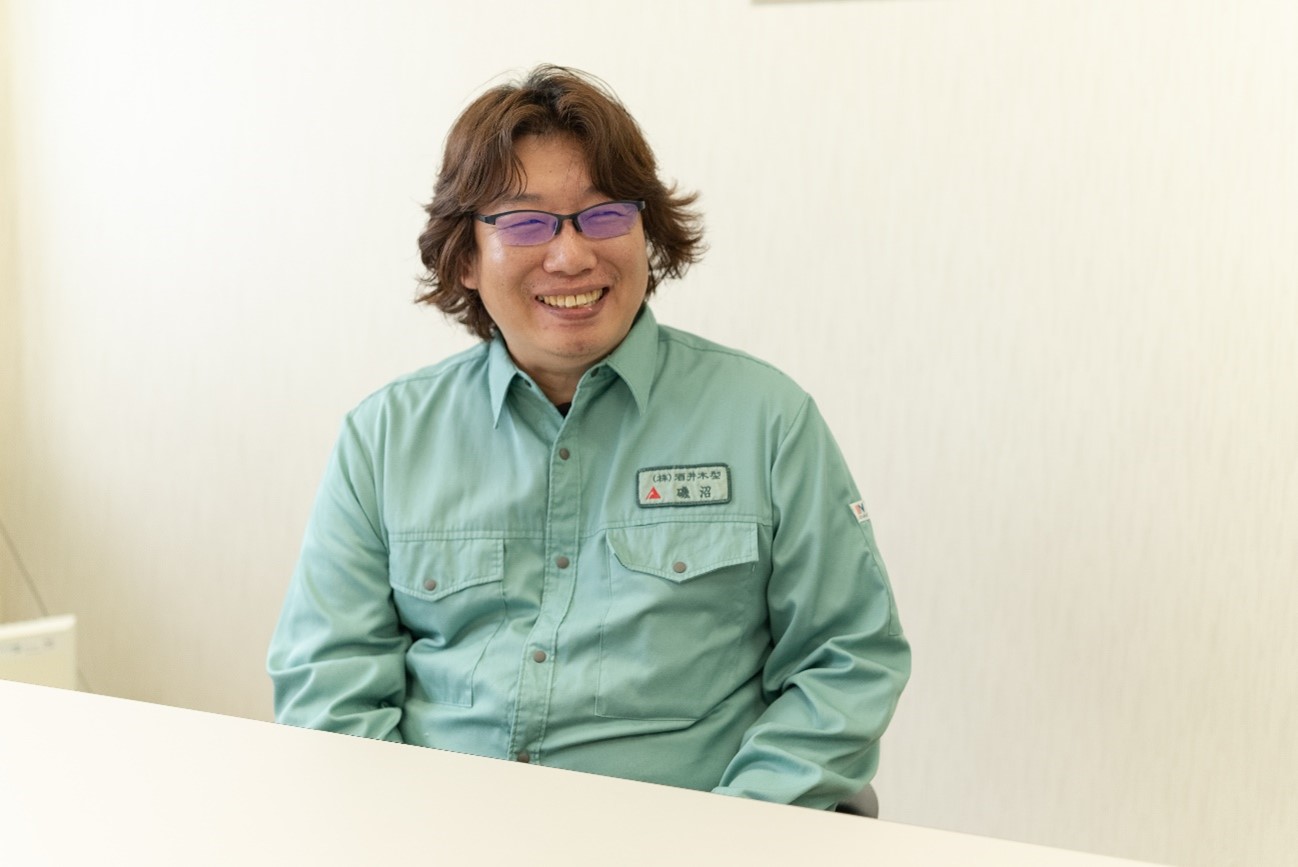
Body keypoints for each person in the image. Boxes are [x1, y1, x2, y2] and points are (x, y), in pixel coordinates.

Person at [267, 64, 910, 811]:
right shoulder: (383, 438)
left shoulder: (768, 420)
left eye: (604, 215)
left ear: (646, 232)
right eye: (525, 223)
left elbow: (847, 659)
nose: (571, 256)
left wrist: (735, 833)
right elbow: (328, 685)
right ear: (465, 257)